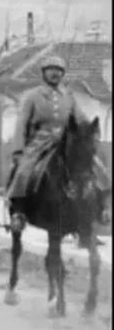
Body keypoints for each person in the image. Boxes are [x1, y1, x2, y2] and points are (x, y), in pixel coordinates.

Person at [6, 56, 111, 243]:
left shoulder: (69, 97)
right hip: (40, 143)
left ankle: (101, 210)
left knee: (99, 169)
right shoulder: (32, 96)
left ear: (63, 74)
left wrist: (91, 132)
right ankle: (19, 213)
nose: (55, 74)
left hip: (68, 143)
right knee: (23, 171)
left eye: (59, 71)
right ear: (43, 73)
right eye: (50, 70)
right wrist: (18, 150)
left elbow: (81, 119)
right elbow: (21, 124)